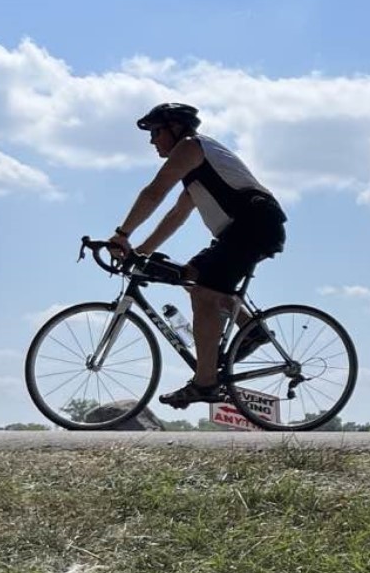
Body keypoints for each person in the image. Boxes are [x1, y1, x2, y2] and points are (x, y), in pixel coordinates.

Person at [106, 103, 287, 407]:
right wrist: (141, 252)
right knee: (189, 275)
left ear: (175, 129)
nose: (152, 140)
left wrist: (122, 235)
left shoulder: (190, 147)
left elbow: (154, 192)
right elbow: (177, 213)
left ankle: (205, 383)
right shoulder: (199, 168)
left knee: (205, 293)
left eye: (155, 131)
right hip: (244, 228)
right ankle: (251, 331)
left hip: (254, 224)